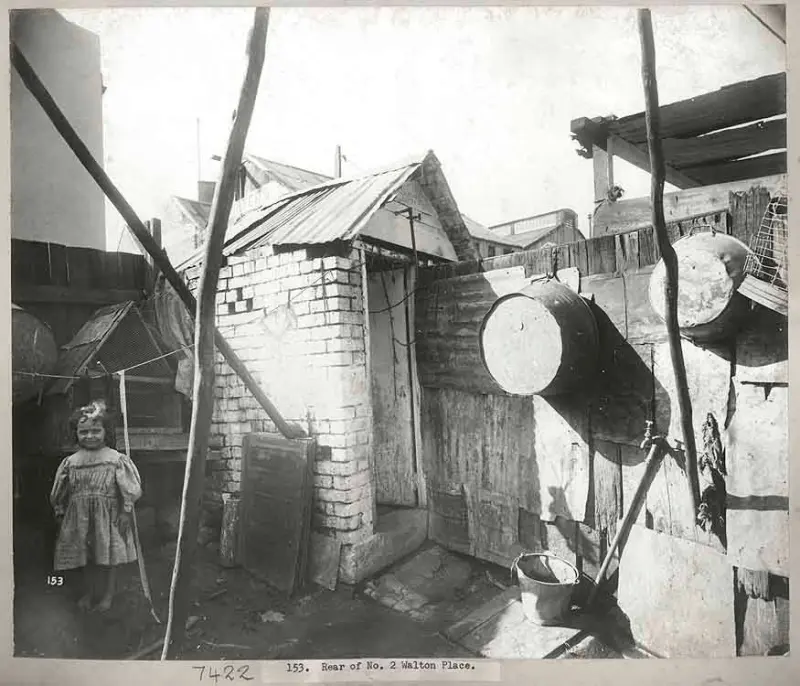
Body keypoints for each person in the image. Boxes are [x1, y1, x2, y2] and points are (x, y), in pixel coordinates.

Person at [50, 400, 142, 612]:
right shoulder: (71, 462)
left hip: (107, 517)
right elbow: (60, 491)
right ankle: (89, 593)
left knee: (109, 556)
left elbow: (129, 488)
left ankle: (108, 595)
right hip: (79, 517)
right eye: (84, 432)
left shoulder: (115, 459)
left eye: (96, 431)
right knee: (85, 556)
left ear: (105, 432)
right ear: (76, 433)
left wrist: (126, 511)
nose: (90, 436)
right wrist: (60, 511)